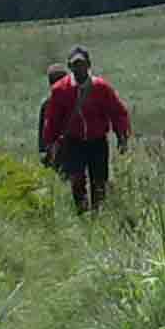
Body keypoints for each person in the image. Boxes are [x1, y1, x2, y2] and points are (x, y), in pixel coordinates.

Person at [39, 45, 131, 213]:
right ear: (70, 66)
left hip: (97, 141)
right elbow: (52, 120)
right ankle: (82, 213)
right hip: (74, 142)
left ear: (88, 64)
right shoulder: (60, 90)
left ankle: (98, 214)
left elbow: (117, 112)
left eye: (81, 64)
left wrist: (122, 137)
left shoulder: (101, 87)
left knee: (99, 180)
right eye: (74, 65)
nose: (78, 68)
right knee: (77, 179)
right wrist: (49, 144)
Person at [38, 63, 69, 172]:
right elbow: (43, 128)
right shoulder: (47, 103)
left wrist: (43, 149)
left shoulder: (47, 103)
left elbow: (42, 129)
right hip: (59, 147)